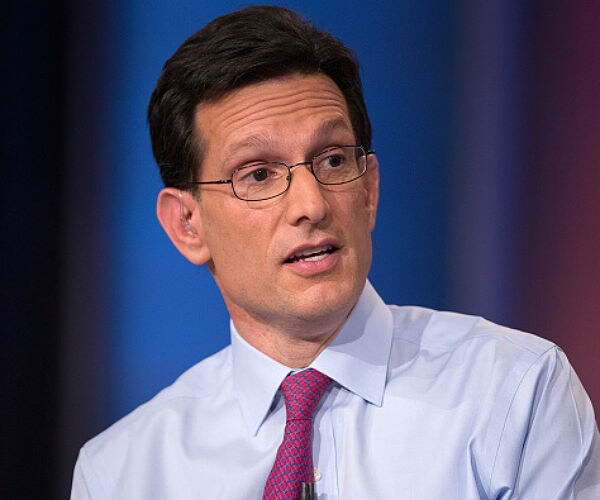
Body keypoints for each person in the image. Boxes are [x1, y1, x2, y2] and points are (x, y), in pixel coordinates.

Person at [70, 6, 600, 500]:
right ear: (188, 225)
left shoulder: (514, 394)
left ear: (368, 191)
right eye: (258, 174)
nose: (312, 204)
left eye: (332, 161)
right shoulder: (123, 472)